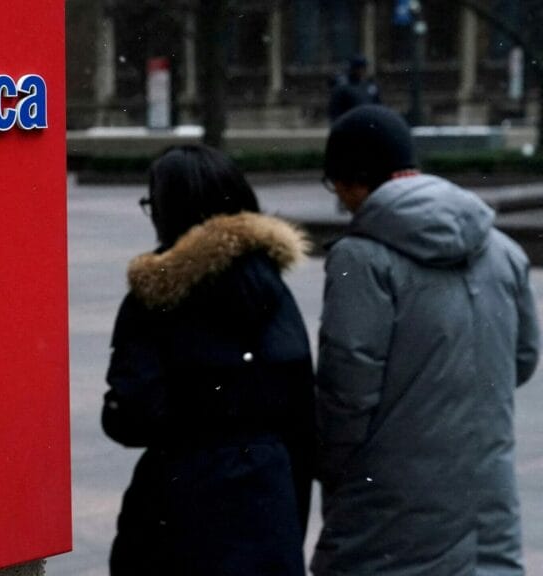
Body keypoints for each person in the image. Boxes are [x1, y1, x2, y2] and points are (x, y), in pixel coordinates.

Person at [314, 105, 540, 575]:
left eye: (335, 184)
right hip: (485, 495)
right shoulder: (504, 251)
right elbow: (522, 360)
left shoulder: (361, 258)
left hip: (390, 505)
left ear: (354, 180)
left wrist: (332, 467)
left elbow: (347, 392)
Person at [102, 145, 315, 575]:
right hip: (269, 508)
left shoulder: (155, 298)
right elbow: (304, 418)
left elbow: (134, 413)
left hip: (180, 513)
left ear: (168, 210)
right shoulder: (274, 291)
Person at [327, 55, 381, 122]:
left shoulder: (371, 85)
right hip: (350, 122)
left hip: (368, 121)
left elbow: (378, 104)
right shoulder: (343, 86)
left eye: (363, 67)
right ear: (353, 68)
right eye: (359, 68)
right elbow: (335, 109)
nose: (362, 70)